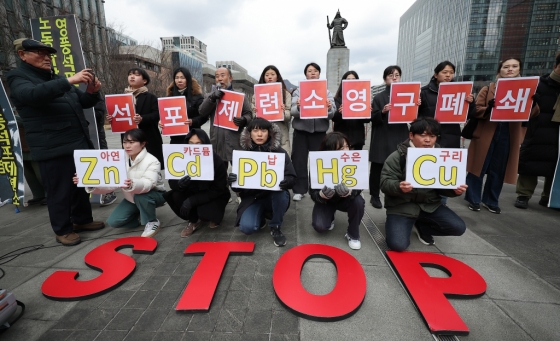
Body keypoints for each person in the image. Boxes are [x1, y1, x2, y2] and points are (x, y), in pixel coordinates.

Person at [7, 38, 105, 246]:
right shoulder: (18, 77)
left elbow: (82, 102)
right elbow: (32, 95)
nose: (46, 58)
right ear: (22, 55)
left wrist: (92, 91)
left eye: (48, 54)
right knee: (59, 190)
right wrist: (69, 81)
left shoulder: (57, 78)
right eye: (39, 53)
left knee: (80, 185)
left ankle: (82, 220)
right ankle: (62, 229)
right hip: (53, 146)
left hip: (76, 142)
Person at [380, 117, 467, 251]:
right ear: (411, 135)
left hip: (430, 205)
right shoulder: (398, 156)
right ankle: (397, 224)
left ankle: (423, 227)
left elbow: (444, 186)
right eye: (423, 135)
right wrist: (399, 187)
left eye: (432, 136)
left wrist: (454, 190)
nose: (428, 140)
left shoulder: (443, 156)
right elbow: (385, 183)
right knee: (398, 245)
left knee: (458, 227)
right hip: (402, 206)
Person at [74, 129, 166, 238]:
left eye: (132, 142)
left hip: (155, 195)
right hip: (132, 198)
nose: (127, 146)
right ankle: (141, 215)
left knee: (142, 197)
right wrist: (90, 183)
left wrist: (132, 184)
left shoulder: (152, 161)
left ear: (143, 144)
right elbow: (111, 185)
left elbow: (149, 184)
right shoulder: (118, 159)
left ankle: (152, 221)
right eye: (125, 142)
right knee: (114, 222)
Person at [465, 58, 525, 214]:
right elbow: (476, 110)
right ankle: (473, 198)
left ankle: (491, 200)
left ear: (519, 69)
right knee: (478, 166)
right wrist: (488, 109)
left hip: (508, 133)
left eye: (514, 66)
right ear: (500, 70)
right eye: (506, 67)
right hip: (487, 130)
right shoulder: (489, 88)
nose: (510, 69)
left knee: (498, 169)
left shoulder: (526, 90)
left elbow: (532, 114)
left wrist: (534, 103)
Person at [227, 118, 297, 246]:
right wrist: (232, 181)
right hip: (252, 198)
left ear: (269, 133)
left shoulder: (279, 153)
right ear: (249, 133)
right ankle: (260, 218)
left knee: (281, 194)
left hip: (273, 196)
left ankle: (276, 226)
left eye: (263, 130)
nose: (259, 134)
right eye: (255, 130)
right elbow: (237, 189)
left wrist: (286, 181)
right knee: (246, 228)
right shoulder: (243, 154)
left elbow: (292, 178)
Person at [418, 61, 474, 205]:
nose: (448, 75)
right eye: (444, 72)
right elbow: (415, 118)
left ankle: (440, 207)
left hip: (450, 137)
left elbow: (469, 116)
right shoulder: (424, 93)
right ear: (436, 75)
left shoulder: (462, 92)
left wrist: (470, 103)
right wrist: (416, 105)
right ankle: (423, 206)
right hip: (429, 140)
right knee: (426, 172)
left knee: (445, 175)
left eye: (451, 72)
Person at [163, 128, 231, 237]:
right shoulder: (180, 158)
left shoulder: (216, 160)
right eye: (191, 143)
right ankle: (193, 221)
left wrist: (192, 201)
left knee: (207, 213)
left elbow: (218, 189)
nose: (194, 147)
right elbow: (172, 183)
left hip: (212, 195)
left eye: (199, 143)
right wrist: (180, 184)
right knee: (175, 195)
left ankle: (211, 216)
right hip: (191, 191)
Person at [515, 54, 560, 209]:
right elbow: (525, 108)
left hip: (557, 135)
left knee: (555, 167)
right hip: (538, 131)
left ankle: (548, 197)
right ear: (555, 67)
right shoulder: (539, 84)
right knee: (530, 163)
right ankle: (523, 195)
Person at [309, 132, 365, 250]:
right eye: (340, 148)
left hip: (346, 200)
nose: (345, 151)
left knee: (359, 202)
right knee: (320, 227)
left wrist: (350, 192)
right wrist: (321, 195)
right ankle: (330, 216)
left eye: (346, 147)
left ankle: (353, 234)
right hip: (327, 201)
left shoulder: (355, 160)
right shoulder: (318, 162)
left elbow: (360, 186)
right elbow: (312, 192)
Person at [291, 62, 336, 201]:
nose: (312, 73)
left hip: (319, 132)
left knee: (319, 162)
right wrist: (298, 107)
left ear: (319, 74)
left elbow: (332, 114)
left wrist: (329, 108)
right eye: (309, 71)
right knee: (299, 160)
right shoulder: (298, 91)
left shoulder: (326, 91)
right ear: (305, 74)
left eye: (315, 71)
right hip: (301, 131)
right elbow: (292, 111)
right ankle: (300, 189)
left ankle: (317, 187)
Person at [369, 65, 412, 209]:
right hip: (382, 135)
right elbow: (372, 117)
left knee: (400, 165)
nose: (394, 77)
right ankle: (374, 195)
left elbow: (414, 117)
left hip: (400, 133)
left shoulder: (408, 95)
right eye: (390, 75)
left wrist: (417, 105)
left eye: (397, 75)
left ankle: (397, 192)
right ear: (385, 78)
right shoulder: (379, 97)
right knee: (377, 167)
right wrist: (382, 112)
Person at [107, 68, 164, 169]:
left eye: (136, 75)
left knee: (151, 168)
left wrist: (143, 118)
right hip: (129, 138)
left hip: (148, 137)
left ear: (144, 81)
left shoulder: (151, 97)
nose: (132, 76)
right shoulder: (121, 98)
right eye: (130, 74)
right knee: (131, 167)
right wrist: (112, 118)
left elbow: (157, 115)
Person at [199, 67, 253, 170]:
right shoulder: (210, 96)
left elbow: (249, 114)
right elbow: (202, 111)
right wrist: (212, 98)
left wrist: (244, 120)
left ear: (230, 78)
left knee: (239, 174)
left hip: (236, 142)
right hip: (217, 143)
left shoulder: (240, 96)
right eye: (217, 76)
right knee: (219, 177)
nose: (219, 79)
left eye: (222, 75)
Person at [251, 65, 292, 153]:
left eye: (272, 74)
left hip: (281, 133)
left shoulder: (285, 94)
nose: (270, 77)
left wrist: (283, 112)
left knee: (283, 161)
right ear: (263, 78)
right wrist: (255, 112)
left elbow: (288, 117)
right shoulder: (256, 95)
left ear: (277, 77)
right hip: (262, 134)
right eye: (267, 75)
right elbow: (253, 117)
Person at [160, 67, 206, 143]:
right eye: (176, 78)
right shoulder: (170, 97)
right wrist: (162, 122)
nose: (179, 80)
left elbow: (203, 116)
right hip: (175, 138)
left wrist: (192, 121)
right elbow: (165, 115)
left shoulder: (197, 96)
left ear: (188, 79)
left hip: (192, 137)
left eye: (182, 78)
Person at [332, 70, 369, 150]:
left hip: (357, 138)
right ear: (343, 82)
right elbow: (333, 117)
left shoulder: (362, 98)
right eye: (348, 79)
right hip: (341, 138)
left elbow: (367, 120)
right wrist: (340, 112)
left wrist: (367, 112)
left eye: (354, 79)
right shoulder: (337, 99)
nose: (351, 82)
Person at [15, 113, 46, 205]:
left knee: (40, 173)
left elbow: (21, 120)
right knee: (29, 174)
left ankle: (50, 194)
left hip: (33, 145)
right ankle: (38, 194)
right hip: (20, 147)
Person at [94, 99, 117, 206]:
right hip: (80, 137)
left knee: (103, 162)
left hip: (97, 136)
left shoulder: (92, 91)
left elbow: (99, 114)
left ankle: (109, 191)